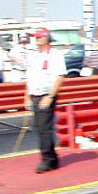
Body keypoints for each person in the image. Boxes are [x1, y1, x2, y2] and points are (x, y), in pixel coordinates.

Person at [24, 28, 67, 173]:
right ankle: (53, 159)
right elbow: (29, 78)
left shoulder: (55, 55)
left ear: (47, 38)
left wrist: (50, 96)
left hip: (46, 95)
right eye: (35, 37)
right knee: (39, 127)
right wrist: (27, 96)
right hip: (35, 94)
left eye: (39, 37)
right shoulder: (33, 55)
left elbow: (60, 77)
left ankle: (47, 159)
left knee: (44, 128)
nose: (36, 39)